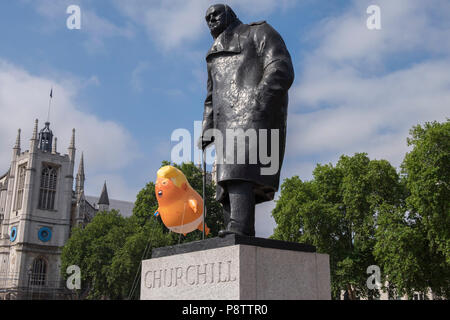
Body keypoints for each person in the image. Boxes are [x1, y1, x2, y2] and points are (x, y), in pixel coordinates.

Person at [200, 4, 294, 237]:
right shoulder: (213, 55)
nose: (211, 20)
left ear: (230, 14)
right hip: (225, 123)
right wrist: (206, 127)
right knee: (225, 180)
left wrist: (258, 99)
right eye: (207, 18)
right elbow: (211, 96)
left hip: (253, 115)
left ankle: (239, 227)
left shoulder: (259, 32)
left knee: (239, 171)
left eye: (216, 14)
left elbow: (281, 68)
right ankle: (236, 229)